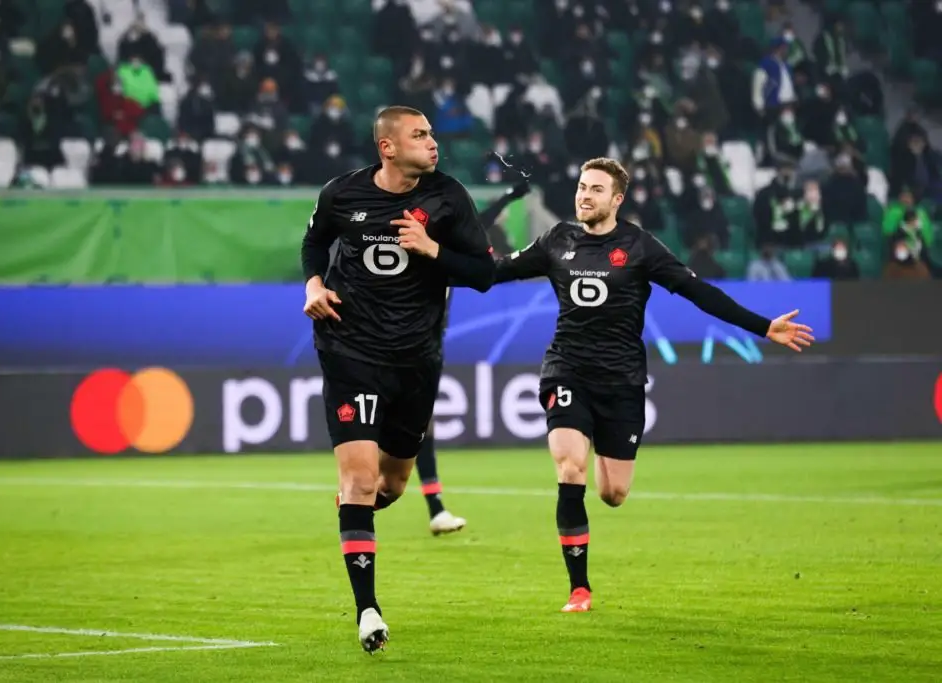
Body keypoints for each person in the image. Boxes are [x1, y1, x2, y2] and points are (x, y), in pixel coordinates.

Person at [492, 157, 815, 614]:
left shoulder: (639, 246)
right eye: (582, 186)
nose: (585, 195)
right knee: (570, 466)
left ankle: (598, 453)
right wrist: (434, 254)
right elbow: (494, 271)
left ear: (617, 200)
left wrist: (762, 326)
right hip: (566, 370)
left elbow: (699, 293)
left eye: (596, 189)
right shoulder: (557, 240)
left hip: (622, 380)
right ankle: (579, 589)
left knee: (613, 494)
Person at [300, 105, 495, 653]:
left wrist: (433, 250)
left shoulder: (449, 197)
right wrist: (313, 285)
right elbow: (314, 244)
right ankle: (368, 611)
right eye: (419, 134)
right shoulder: (342, 193)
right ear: (387, 147)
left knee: (390, 486)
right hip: (349, 349)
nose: (433, 142)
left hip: (415, 360)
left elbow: (485, 273)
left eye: (431, 133)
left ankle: (354, 511)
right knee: (360, 481)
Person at [415, 178, 531, 536]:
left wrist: (509, 196)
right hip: (396, 344)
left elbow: (480, 222)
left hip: (429, 347)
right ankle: (362, 489)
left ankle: (434, 508)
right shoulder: (413, 244)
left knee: (420, 426)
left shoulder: (447, 249)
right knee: (398, 429)